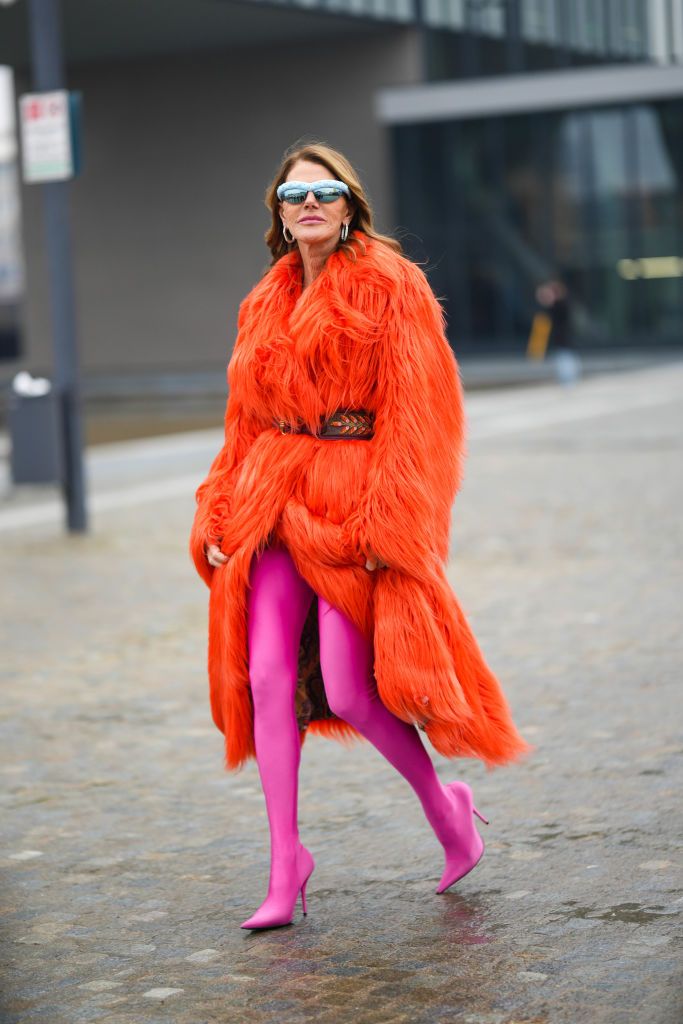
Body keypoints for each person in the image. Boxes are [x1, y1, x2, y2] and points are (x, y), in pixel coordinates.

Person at [189, 142, 533, 931]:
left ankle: (446, 809)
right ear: (277, 212)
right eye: (294, 193)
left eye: (326, 191)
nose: (310, 203)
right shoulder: (261, 302)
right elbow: (244, 422)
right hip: (271, 500)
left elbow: (422, 416)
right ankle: (286, 863)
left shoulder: (392, 285)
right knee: (267, 678)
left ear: (349, 207)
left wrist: (395, 521)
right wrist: (214, 510)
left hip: (350, 509)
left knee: (348, 688)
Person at [535, 277, 582, 386]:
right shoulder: (561, 304)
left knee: (565, 359)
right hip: (561, 338)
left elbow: (552, 312)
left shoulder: (561, 304)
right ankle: (567, 380)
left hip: (563, 337)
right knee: (564, 358)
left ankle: (568, 381)